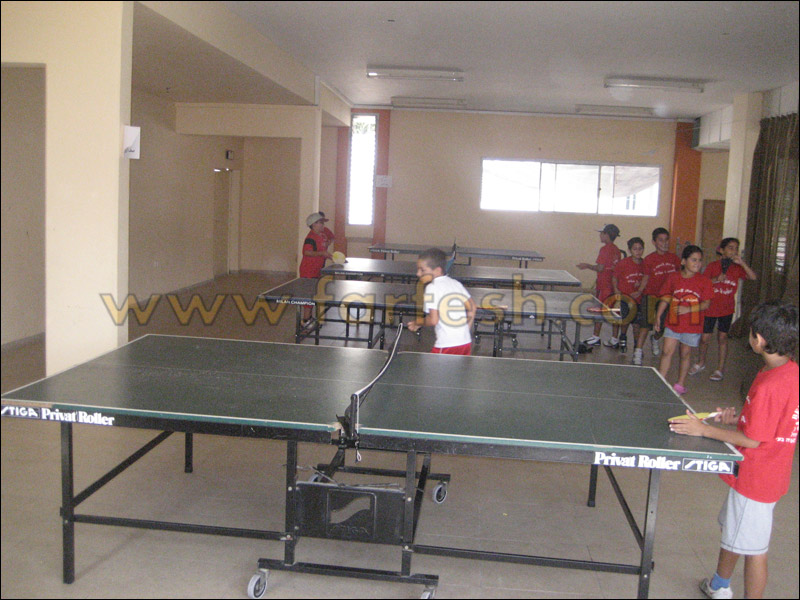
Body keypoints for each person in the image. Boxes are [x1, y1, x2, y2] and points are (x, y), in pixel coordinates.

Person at [669, 300, 798, 600]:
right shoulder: (789, 372)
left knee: (755, 550)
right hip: (769, 474)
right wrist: (740, 419)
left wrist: (703, 430)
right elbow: (771, 424)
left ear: (759, 339)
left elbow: (754, 441)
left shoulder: (769, 385)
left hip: (756, 479)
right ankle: (719, 584)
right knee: (735, 532)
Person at [689, 238, 757, 382]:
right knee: (705, 338)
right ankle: (701, 362)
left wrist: (742, 263)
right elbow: (701, 284)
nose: (734, 251)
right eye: (730, 248)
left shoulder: (737, 268)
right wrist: (716, 279)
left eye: (736, 248)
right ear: (722, 250)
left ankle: (719, 369)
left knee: (722, 338)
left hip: (726, 309)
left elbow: (753, 277)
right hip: (710, 308)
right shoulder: (713, 266)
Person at [654, 245, 714, 394]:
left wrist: (689, 309)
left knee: (685, 353)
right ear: (683, 261)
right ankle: (660, 381)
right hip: (673, 323)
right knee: (666, 351)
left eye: (700, 260)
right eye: (694, 260)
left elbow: (706, 304)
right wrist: (658, 316)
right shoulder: (673, 277)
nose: (697, 263)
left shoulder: (704, 281)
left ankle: (680, 384)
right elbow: (666, 298)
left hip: (692, 325)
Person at [407, 248, 476, 355]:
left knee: (433, 366)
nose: (418, 274)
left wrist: (417, 322)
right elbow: (472, 307)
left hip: (446, 345)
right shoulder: (455, 283)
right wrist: (466, 330)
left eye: (422, 270)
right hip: (465, 342)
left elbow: (433, 320)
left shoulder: (432, 287)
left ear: (437, 271)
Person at [634, 227, 681, 365]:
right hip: (651, 296)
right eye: (661, 240)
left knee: (663, 326)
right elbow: (646, 277)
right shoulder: (649, 259)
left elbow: (680, 277)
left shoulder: (674, 258)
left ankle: (655, 339)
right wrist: (640, 291)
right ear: (654, 242)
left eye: (666, 240)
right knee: (645, 325)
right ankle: (638, 352)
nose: (664, 243)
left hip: (668, 298)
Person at [576, 224, 622, 347]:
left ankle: (595, 337)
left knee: (599, 311)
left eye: (601, 233)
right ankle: (614, 339)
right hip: (613, 286)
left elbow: (600, 268)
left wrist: (587, 265)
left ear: (606, 235)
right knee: (614, 312)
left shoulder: (604, 249)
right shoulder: (617, 250)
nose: (600, 235)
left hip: (604, 287)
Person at [612, 237, 645, 355]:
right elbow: (614, 277)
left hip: (639, 299)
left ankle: (637, 346)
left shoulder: (645, 264)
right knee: (625, 321)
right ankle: (623, 336)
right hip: (625, 298)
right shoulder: (623, 263)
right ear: (630, 250)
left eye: (640, 249)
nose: (638, 251)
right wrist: (616, 289)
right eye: (635, 249)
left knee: (637, 324)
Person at [298, 212, 333, 327]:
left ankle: (309, 318)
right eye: (320, 223)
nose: (323, 225)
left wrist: (330, 256)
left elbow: (323, 249)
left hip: (317, 270)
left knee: (313, 294)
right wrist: (322, 253)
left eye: (322, 222)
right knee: (309, 296)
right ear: (313, 224)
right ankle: (305, 320)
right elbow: (306, 252)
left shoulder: (321, 236)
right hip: (308, 270)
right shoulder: (310, 238)